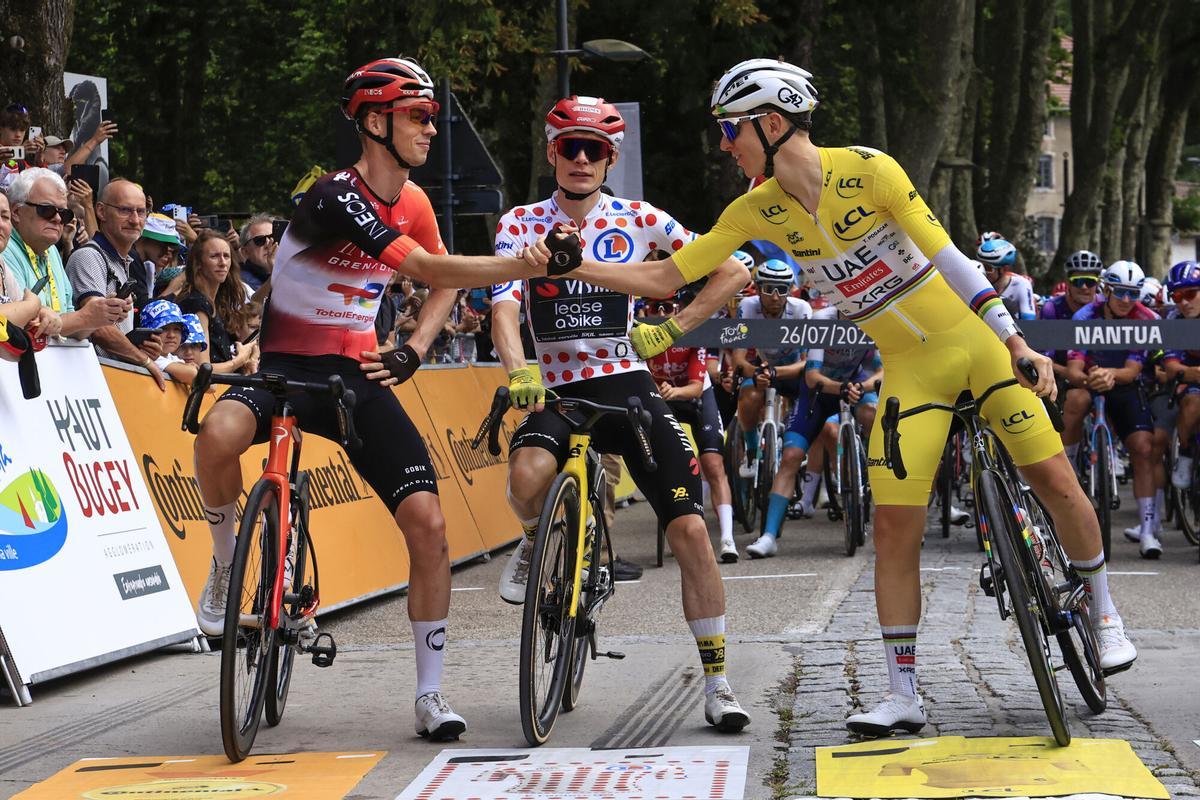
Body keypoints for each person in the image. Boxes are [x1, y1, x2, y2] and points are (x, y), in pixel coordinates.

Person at [553, 58, 1138, 736]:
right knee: (892, 531)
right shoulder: (755, 207)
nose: (724, 143)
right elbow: (667, 272)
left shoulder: (871, 170)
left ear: (772, 124)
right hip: (909, 372)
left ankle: (1104, 614)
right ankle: (903, 694)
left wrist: (1013, 341)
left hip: (976, 344)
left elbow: (949, 256)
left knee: (1055, 478)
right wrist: (580, 265)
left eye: (729, 129)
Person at [190, 56, 562, 743]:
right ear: (373, 121)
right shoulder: (336, 196)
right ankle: (223, 565)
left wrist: (416, 346)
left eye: (431, 116)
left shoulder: (416, 201)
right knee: (216, 434)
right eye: (417, 116)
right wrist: (520, 263)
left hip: (354, 377)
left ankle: (428, 693)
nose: (430, 129)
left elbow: (442, 281)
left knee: (429, 525)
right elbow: (423, 269)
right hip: (285, 369)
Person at [490, 95, 752, 732]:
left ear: (610, 157)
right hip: (555, 389)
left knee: (689, 531)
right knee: (525, 479)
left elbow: (734, 269)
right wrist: (517, 368)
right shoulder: (520, 221)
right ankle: (532, 544)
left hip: (628, 387)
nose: (582, 159)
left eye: (595, 150)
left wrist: (676, 328)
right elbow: (502, 305)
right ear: (553, 152)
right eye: (570, 147)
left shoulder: (642, 218)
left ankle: (717, 683)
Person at [748, 303, 883, 558]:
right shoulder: (823, 320)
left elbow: (881, 370)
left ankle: (869, 463)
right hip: (819, 392)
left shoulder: (871, 319)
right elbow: (811, 377)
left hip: (855, 387)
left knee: (872, 415)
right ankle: (768, 535)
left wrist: (862, 387)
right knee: (791, 456)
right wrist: (842, 388)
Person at [1064, 261, 1161, 558]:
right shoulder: (1085, 315)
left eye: (1133, 293)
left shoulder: (1147, 318)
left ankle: (1147, 531)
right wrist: (1091, 377)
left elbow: (1132, 370)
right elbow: (1073, 367)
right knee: (1076, 399)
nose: (1126, 300)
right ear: (1106, 290)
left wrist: (1110, 375)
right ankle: (1067, 462)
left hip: (1123, 383)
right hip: (1089, 379)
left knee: (1143, 448)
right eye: (1120, 292)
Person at [646, 288, 738, 562]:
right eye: (654, 307)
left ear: (676, 309)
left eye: (667, 307)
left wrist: (674, 392)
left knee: (712, 463)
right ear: (645, 310)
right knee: (663, 463)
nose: (661, 313)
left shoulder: (691, 333)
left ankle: (727, 539)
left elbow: (697, 386)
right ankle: (677, 525)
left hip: (694, 397)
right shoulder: (639, 336)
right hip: (662, 396)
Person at [1, 168, 126, 341]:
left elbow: (72, 326)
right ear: (16, 212)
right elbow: (25, 324)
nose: (58, 219)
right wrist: (85, 317)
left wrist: (100, 315)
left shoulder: (50, 250)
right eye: (46, 210)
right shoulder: (4, 249)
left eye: (64, 213)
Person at [65, 177, 168, 385]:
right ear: (101, 211)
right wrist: (144, 361)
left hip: (112, 380)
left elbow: (110, 329)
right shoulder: (89, 256)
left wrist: (141, 347)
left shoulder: (123, 261)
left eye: (141, 212)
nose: (135, 219)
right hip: (91, 382)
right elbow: (97, 327)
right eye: (125, 210)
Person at [730, 260, 812, 484]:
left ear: (790, 290)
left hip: (792, 371)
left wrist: (775, 372)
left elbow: (806, 363)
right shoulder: (747, 306)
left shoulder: (801, 309)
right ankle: (752, 453)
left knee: (808, 402)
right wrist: (755, 372)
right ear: (757, 288)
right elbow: (738, 357)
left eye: (782, 290)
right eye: (768, 289)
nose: (775, 297)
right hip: (762, 369)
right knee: (748, 397)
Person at [170, 229, 256, 373]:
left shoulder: (216, 303)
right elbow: (203, 368)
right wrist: (240, 360)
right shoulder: (196, 304)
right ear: (198, 263)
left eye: (226, 256)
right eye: (214, 256)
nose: (222, 263)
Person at [1040, 250, 1102, 396]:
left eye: (1090, 281)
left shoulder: (1106, 306)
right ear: (1067, 282)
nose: (1084, 287)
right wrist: (1072, 374)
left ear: (1098, 283)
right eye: (1078, 281)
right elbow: (1044, 358)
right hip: (1062, 378)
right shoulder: (1052, 309)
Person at [1164, 261, 1200, 492]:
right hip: (1189, 382)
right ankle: (1185, 455)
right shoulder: (1173, 320)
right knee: (1194, 401)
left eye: (1190, 294)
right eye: (1177, 297)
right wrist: (1191, 373)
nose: (1184, 302)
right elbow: (1171, 366)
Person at [977, 237, 1036, 321]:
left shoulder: (1022, 284)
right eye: (980, 266)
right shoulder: (978, 283)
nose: (982, 271)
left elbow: (1029, 321)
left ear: (1004, 268)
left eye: (987, 268)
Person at [140, 299, 198, 384]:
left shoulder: (172, 358)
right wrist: (191, 369)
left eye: (176, 329)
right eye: (163, 329)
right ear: (148, 332)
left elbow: (211, 385)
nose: (171, 335)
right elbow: (194, 375)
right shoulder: (149, 356)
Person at [237, 213, 276, 293]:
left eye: (273, 238)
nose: (268, 243)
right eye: (259, 240)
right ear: (245, 252)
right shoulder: (240, 283)